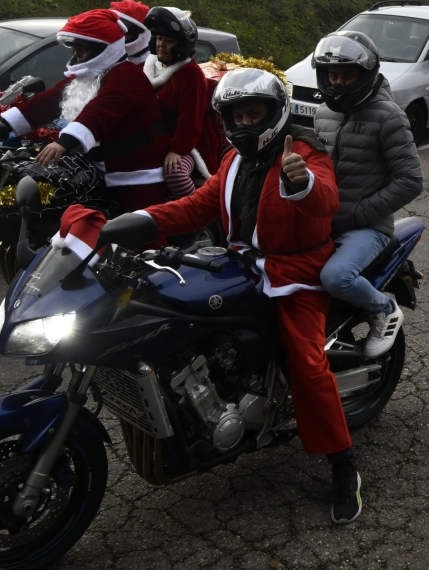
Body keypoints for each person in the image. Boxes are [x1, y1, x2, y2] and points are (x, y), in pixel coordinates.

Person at [134, 68, 363, 523]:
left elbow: (326, 200)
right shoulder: (232, 161)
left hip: (295, 272)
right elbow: (197, 206)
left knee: (307, 364)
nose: (244, 124)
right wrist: (140, 221)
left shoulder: (305, 152)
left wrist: (301, 183)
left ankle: (344, 466)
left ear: (275, 114)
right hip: (239, 264)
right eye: (236, 117)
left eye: (254, 114)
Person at [311, 32, 424, 358]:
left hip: (368, 226)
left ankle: (384, 309)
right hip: (326, 219)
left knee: (336, 277)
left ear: (366, 74)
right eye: (333, 76)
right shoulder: (323, 114)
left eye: (348, 75)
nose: (339, 83)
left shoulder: (388, 116)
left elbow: (411, 180)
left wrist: (359, 212)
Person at [0, 9, 169, 212]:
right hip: (95, 169)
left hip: (136, 174)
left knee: (140, 227)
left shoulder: (128, 75)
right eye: (75, 47)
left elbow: (99, 111)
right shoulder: (88, 75)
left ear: (102, 49)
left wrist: (64, 142)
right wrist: (3, 124)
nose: (76, 53)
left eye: (83, 48)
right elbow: (48, 102)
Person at [142, 6, 222, 198]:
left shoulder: (190, 74)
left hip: (190, 145)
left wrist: (177, 150)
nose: (161, 44)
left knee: (175, 173)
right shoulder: (152, 67)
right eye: (159, 38)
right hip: (159, 139)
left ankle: (197, 210)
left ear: (182, 46)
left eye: (169, 41)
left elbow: (190, 120)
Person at [110, 0, 154, 65]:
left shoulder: (154, 64)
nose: (118, 37)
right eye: (113, 31)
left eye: (126, 33)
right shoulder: (105, 60)